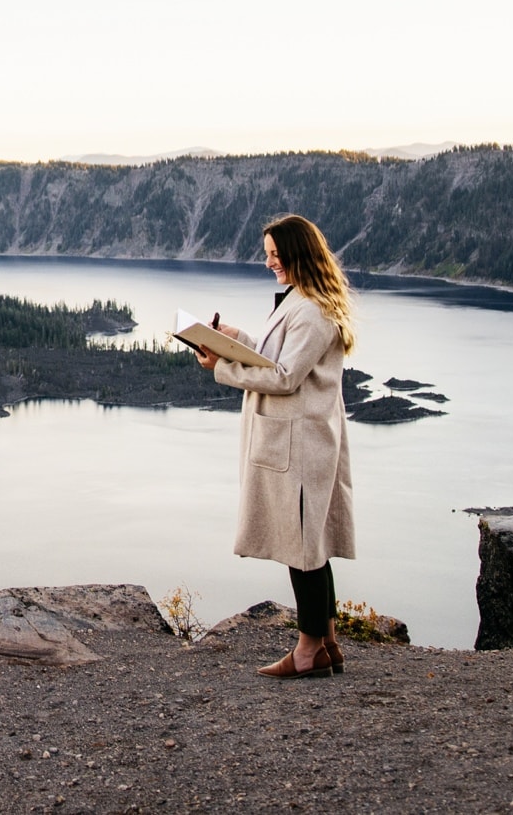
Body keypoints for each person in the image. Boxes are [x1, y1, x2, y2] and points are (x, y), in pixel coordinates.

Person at [192, 214, 357, 680]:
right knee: (311, 546)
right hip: (298, 441)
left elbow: (284, 376)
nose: (268, 263)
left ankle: (307, 652)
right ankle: (326, 643)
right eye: (266, 254)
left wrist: (221, 369)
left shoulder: (313, 310)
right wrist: (234, 339)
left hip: (300, 446)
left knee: (302, 549)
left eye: (274, 255)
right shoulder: (306, 301)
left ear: (297, 253)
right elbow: (276, 355)